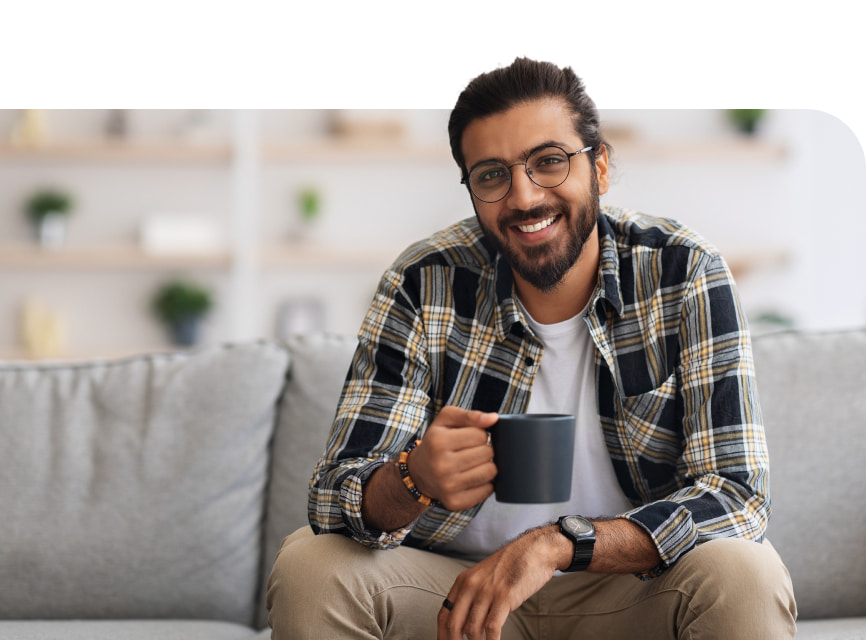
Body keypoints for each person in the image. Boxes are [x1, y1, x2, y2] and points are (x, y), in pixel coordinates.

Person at [266, 57, 797, 639]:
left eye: (549, 162)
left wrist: (556, 545)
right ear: (471, 188)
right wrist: (413, 476)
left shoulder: (684, 272)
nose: (523, 197)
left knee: (745, 570)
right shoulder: (425, 281)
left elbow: (736, 496)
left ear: (600, 167)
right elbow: (333, 497)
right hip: (455, 598)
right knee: (310, 565)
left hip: (628, 592)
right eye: (492, 174)